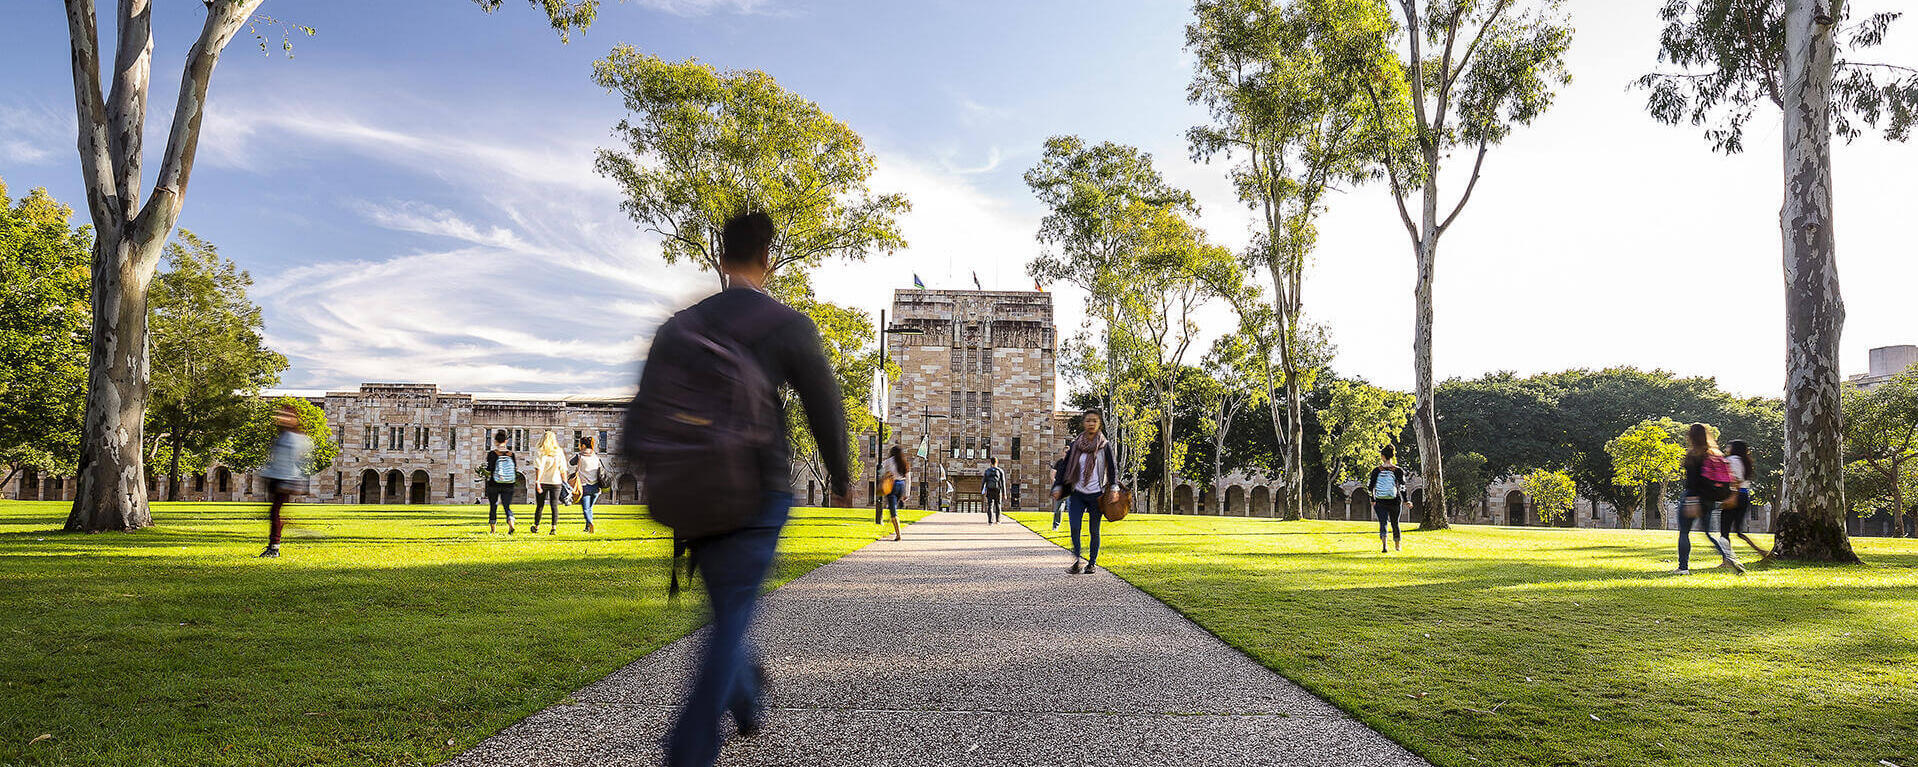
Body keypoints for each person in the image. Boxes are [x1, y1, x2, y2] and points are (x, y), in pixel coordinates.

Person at [648, 211, 852, 767]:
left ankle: (745, 689)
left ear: (720, 260)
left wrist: (662, 482)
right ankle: (688, 753)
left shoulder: (680, 327)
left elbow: (643, 418)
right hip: (757, 492)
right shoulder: (782, 324)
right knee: (732, 615)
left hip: (694, 498)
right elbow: (825, 405)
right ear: (767, 260)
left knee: (729, 610)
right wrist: (840, 476)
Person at [1052, 409, 1119, 575]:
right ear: (1084, 423)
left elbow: (1112, 468)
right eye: (1088, 420)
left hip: (1097, 494)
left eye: (1094, 421)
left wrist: (1114, 488)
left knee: (1093, 530)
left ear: (1099, 424)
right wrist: (1058, 486)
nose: (1091, 423)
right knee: (1074, 527)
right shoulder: (1076, 445)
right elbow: (1064, 467)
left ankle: (1092, 563)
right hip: (1077, 493)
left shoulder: (1104, 446)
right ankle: (1076, 560)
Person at [1677, 423, 1744, 575]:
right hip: (1709, 500)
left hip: (1692, 497)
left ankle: (1683, 568)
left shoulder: (1693, 454)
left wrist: (1692, 501)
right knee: (1708, 533)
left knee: (1684, 532)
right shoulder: (1715, 454)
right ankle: (1730, 559)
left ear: (1691, 437)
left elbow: (1692, 482)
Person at [256, 403, 312, 558]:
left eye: (287, 416)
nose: (282, 418)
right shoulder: (283, 435)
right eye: (281, 414)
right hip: (276, 476)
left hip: (285, 478)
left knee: (275, 512)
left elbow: (298, 459)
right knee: (275, 512)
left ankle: (274, 548)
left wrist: (294, 481)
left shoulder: (295, 438)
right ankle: (275, 543)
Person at [1722, 440, 1771, 559]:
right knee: (1738, 531)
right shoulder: (1745, 462)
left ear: (1734, 448)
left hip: (1735, 495)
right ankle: (1761, 551)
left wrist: (1732, 498)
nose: (1727, 448)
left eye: (1729, 446)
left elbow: (1736, 480)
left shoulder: (1733, 460)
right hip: (1744, 495)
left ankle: (1727, 560)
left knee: (1724, 531)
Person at [1368, 445, 1409, 553]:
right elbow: (1402, 486)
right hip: (1394, 501)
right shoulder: (1398, 470)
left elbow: (1370, 486)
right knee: (1395, 523)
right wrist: (1406, 500)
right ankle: (1397, 546)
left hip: (1380, 501)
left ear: (1382, 456)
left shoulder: (1376, 470)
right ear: (1392, 456)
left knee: (1383, 523)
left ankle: (1385, 546)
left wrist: (1372, 499)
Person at [530, 431, 569, 535]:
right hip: (556, 482)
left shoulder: (540, 451)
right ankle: (553, 528)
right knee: (554, 505)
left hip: (542, 481)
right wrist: (565, 483)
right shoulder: (559, 451)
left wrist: (537, 482)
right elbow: (563, 469)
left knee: (540, 506)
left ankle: (536, 526)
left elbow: (539, 467)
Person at [485, 430, 520, 534]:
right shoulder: (511, 454)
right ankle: (511, 523)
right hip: (508, 484)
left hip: (494, 483)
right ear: (506, 441)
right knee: (506, 505)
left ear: (495, 441)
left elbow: (490, 468)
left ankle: (493, 530)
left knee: (493, 506)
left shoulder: (492, 454)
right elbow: (514, 468)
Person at [571, 436, 607, 534]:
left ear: (583, 445)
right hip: (596, 487)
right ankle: (587, 527)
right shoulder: (596, 457)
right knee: (590, 508)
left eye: (579, 445)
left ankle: (590, 523)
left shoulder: (580, 456)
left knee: (586, 509)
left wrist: (578, 456)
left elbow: (571, 463)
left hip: (584, 486)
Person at [881, 445, 909, 542]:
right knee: (892, 507)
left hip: (893, 485)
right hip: (901, 485)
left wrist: (886, 475)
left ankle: (898, 534)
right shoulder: (903, 462)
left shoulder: (889, 461)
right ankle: (892, 525)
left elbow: (881, 468)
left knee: (893, 510)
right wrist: (906, 493)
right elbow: (908, 477)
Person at [982, 457, 1006, 525]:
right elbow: (1003, 482)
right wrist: (1004, 493)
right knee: (998, 505)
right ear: (997, 462)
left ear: (991, 462)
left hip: (989, 490)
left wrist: (982, 490)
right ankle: (998, 521)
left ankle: (990, 521)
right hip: (997, 490)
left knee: (990, 505)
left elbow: (983, 481)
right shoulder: (1000, 471)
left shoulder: (987, 471)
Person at [1050, 452, 1069, 531]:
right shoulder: (1059, 462)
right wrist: (1054, 482)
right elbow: (1053, 473)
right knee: (1058, 508)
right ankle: (1055, 525)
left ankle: (1075, 527)